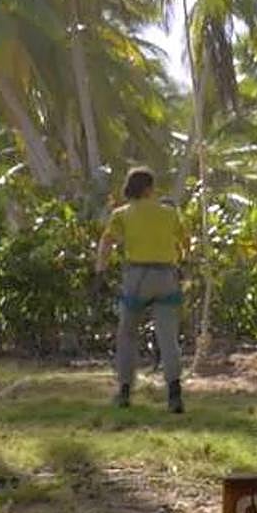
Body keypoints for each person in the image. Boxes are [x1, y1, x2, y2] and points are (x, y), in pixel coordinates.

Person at [95, 167, 187, 413]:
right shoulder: (169, 213)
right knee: (168, 337)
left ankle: (125, 391)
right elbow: (184, 242)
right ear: (149, 189)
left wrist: (101, 272)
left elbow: (107, 242)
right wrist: (181, 263)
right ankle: (174, 394)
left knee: (127, 334)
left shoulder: (122, 214)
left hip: (137, 277)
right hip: (165, 276)